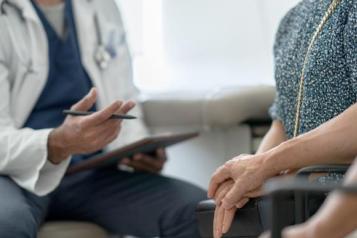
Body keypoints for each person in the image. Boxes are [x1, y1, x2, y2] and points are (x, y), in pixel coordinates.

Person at [0, 0, 206, 237]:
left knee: (196, 211)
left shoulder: (102, 6)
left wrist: (137, 150)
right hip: (14, 174)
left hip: (89, 172)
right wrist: (56, 143)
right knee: (7, 225)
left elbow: (124, 96)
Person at [207, 0, 357, 237]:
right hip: (294, 194)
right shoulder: (291, 20)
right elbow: (282, 123)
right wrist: (246, 181)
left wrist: (267, 164)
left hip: (334, 192)